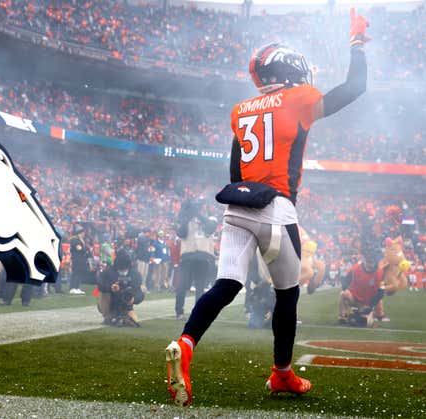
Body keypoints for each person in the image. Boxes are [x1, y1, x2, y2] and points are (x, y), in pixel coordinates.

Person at [165, 8, 370, 406]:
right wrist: (357, 43)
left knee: (225, 285)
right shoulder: (301, 97)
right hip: (277, 210)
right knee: (288, 296)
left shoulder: (240, 110)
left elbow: (234, 170)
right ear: (290, 68)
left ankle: (186, 345)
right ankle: (281, 375)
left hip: (237, 207)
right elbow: (355, 86)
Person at [175, 197, 216, 320]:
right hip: (188, 255)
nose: (200, 208)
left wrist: (197, 214)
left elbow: (210, 227)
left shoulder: (211, 219)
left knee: (200, 287)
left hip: (203, 256)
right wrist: (187, 218)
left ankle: (197, 312)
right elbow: (181, 233)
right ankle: (179, 312)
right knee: (182, 285)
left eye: (201, 206)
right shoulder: (185, 219)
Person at [338, 240, 386, 327]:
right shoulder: (356, 268)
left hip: (369, 302)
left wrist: (369, 306)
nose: (369, 264)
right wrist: (346, 289)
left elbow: (381, 292)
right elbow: (344, 280)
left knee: (368, 323)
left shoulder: (380, 272)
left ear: (375, 262)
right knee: (343, 294)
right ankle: (343, 317)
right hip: (355, 298)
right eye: (367, 261)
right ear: (364, 260)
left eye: (371, 262)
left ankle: (375, 314)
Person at [97, 250, 145, 327]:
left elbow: (140, 293)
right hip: (111, 301)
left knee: (134, 321)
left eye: (125, 268)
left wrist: (134, 299)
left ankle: (123, 316)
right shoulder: (108, 272)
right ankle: (107, 315)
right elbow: (100, 285)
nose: (123, 270)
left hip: (126, 304)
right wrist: (110, 287)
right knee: (103, 292)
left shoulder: (134, 274)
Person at [69, 225, 90, 295]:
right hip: (77, 259)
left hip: (81, 259)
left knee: (79, 273)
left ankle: (77, 287)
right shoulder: (75, 240)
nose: (84, 234)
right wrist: (85, 251)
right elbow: (79, 249)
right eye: (83, 233)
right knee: (76, 273)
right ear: (79, 233)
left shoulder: (81, 240)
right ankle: (73, 288)